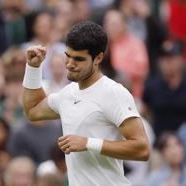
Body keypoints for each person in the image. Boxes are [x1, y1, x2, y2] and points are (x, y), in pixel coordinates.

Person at [22, 21, 150, 185]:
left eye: (78, 59)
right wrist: (33, 68)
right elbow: (33, 110)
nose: (69, 64)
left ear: (98, 58)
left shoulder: (114, 93)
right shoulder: (67, 93)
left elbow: (142, 149)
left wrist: (89, 143)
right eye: (67, 55)